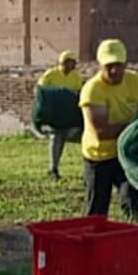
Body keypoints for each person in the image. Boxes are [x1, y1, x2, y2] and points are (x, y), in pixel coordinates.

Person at [78, 38, 138, 220]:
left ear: (126, 64)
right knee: (97, 207)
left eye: (119, 65)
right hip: (99, 156)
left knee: (132, 199)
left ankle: (135, 232)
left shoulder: (134, 81)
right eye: (108, 65)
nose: (114, 70)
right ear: (99, 65)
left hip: (124, 153)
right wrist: (136, 129)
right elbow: (102, 132)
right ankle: (93, 237)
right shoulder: (92, 90)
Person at [36, 50, 83, 179]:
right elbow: (41, 92)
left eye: (73, 63)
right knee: (56, 138)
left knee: (65, 138)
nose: (72, 65)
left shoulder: (76, 77)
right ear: (64, 62)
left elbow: (78, 94)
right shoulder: (51, 74)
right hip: (54, 115)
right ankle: (53, 168)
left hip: (67, 116)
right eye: (69, 62)